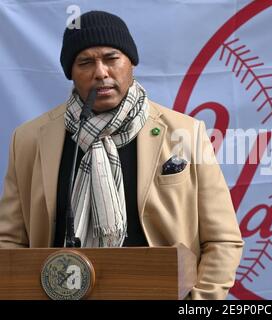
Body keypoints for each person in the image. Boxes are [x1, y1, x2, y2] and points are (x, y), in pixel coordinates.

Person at [0, 10, 243, 300]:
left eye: (111, 58)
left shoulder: (185, 132)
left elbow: (222, 239)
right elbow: (9, 240)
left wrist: (197, 302)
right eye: (85, 62)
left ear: (131, 63)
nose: (100, 72)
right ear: (71, 73)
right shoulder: (29, 139)